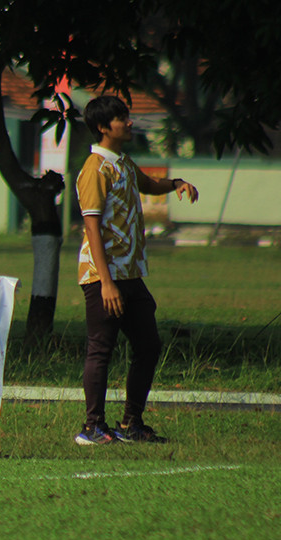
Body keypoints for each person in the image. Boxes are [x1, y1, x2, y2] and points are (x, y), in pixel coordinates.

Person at [74, 95, 198, 446]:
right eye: (120, 118)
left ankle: (131, 424)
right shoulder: (95, 168)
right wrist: (106, 283)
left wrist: (175, 184)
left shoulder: (123, 163)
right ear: (103, 127)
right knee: (101, 348)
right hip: (105, 277)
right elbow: (92, 229)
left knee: (148, 345)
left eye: (127, 116)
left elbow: (147, 184)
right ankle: (92, 427)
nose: (129, 122)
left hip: (130, 275)